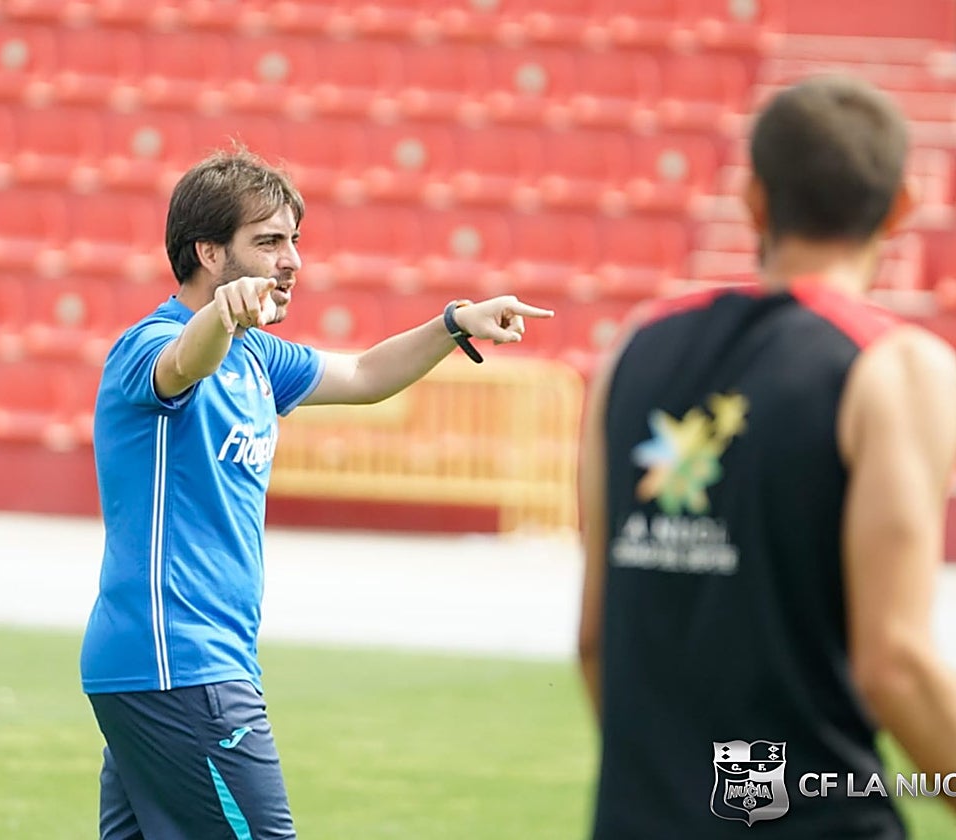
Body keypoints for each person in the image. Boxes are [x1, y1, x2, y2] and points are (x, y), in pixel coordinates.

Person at [80, 148, 553, 839]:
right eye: (269, 242)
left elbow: (363, 373)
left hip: (175, 669)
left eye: (293, 240)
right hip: (178, 663)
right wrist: (220, 316)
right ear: (209, 253)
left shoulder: (257, 357)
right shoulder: (149, 345)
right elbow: (184, 363)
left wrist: (453, 324)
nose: (292, 259)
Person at [577, 75, 956, 838]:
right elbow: (896, 666)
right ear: (900, 209)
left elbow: (595, 642)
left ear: (754, 201)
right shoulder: (894, 367)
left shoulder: (635, 352)